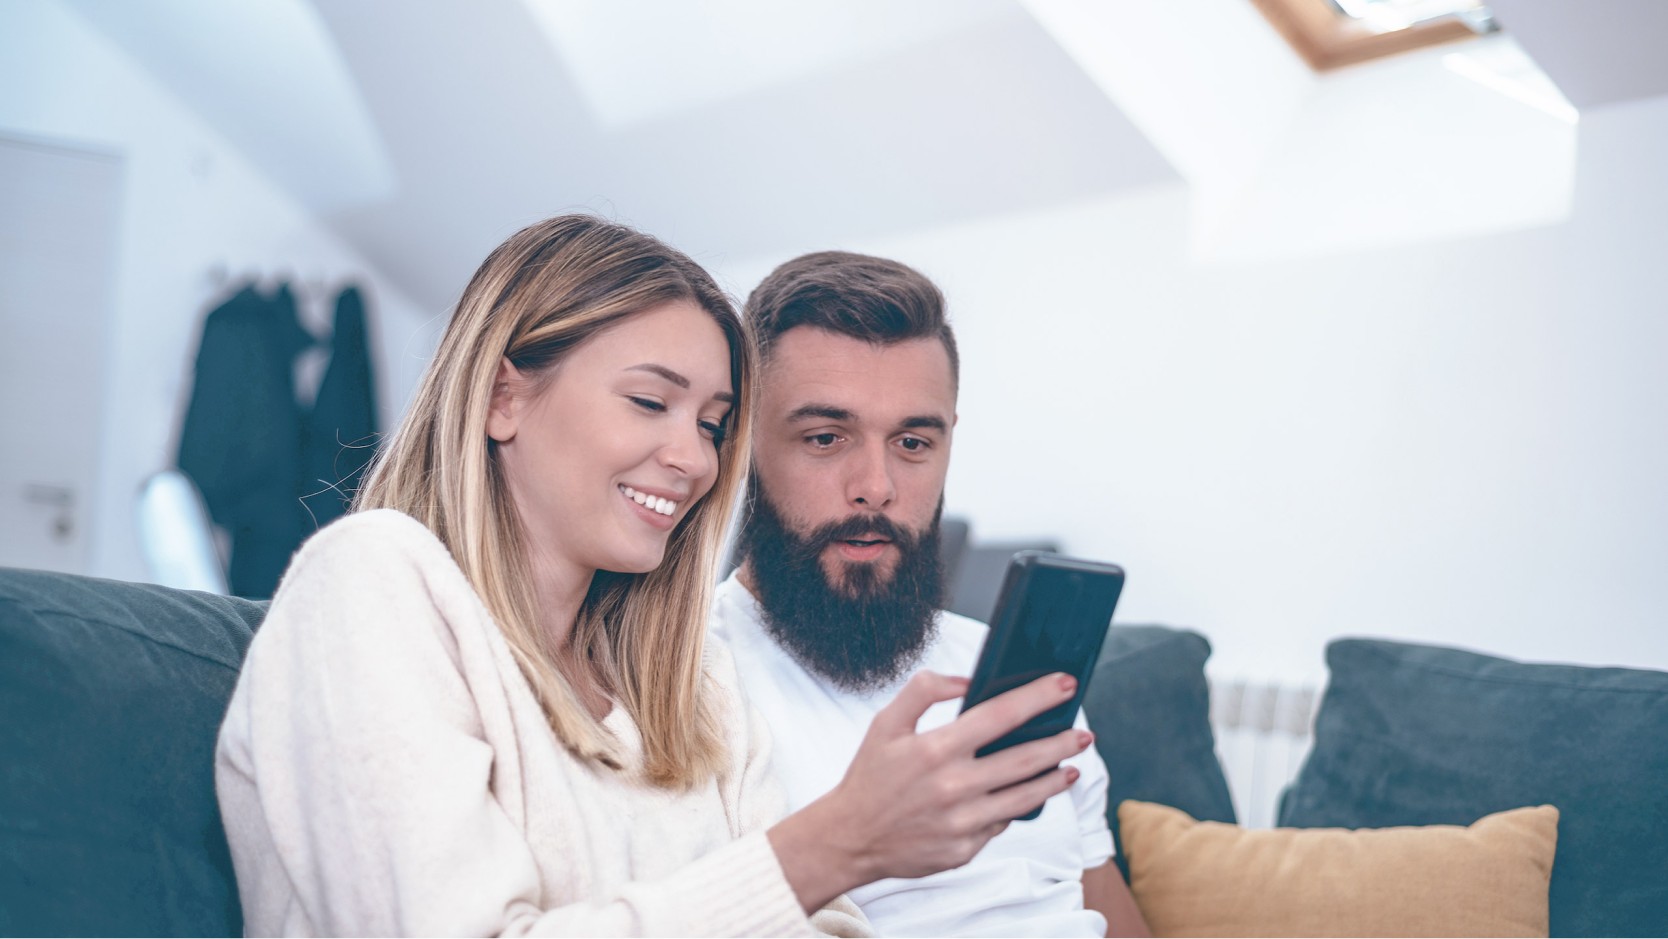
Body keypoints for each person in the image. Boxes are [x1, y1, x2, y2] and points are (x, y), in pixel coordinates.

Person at [214, 215, 1096, 936]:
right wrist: (839, 841)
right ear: (501, 396)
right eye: (649, 401)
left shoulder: (685, 683)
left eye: (714, 423)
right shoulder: (370, 583)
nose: (693, 459)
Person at [712, 251, 1152, 937]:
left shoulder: (1008, 670)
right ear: (741, 444)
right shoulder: (679, 682)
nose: (877, 485)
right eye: (826, 437)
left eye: (913, 441)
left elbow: (1101, 906)